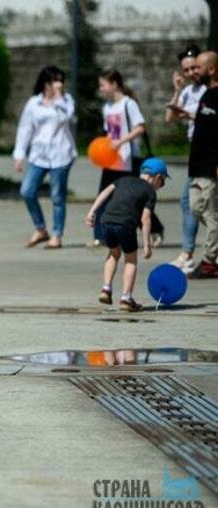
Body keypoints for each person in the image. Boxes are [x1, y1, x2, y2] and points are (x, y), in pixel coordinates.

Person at [85, 158, 169, 312]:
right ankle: (126, 298)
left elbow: (104, 193)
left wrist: (91, 213)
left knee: (113, 253)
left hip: (106, 221)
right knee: (130, 260)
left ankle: (106, 289)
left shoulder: (122, 180)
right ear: (157, 177)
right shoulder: (150, 192)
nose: (160, 186)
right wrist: (146, 245)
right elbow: (145, 218)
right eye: (162, 182)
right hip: (125, 224)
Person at [92, 68, 164, 248]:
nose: (101, 89)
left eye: (103, 85)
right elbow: (108, 133)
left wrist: (121, 141)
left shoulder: (128, 104)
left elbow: (140, 128)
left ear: (114, 84)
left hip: (129, 159)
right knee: (104, 194)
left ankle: (155, 229)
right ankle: (100, 236)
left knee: (134, 197)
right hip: (111, 160)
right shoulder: (107, 107)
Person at [13, 66, 76, 249]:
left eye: (61, 81)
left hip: (61, 154)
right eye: (55, 81)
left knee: (57, 196)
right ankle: (41, 229)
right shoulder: (34, 103)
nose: (59, 84)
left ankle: (56, 235)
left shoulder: (66, 100)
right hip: (38, 155)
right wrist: (19, 154)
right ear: (45, 82)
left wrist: (58, 97)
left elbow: (67, 117)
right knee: (27, 191)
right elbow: (25, 129)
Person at [166, 44, 205, 273]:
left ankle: (188, 253)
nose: (191, 73)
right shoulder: (189, 91)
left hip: (209, 150)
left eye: (194, 68)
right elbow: (169, 117)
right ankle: (188, 253)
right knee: (190, 202)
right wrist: (177, 91)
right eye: (186, 70)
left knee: (191, 201)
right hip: (196, 149)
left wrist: (189, 115)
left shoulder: (210, 89)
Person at [187, 51, 218, 279]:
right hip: (198, 166)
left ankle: (209, 261)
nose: (194, 71)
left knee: (210, 214)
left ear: (212, 69)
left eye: (198, 67)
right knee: (197, 208)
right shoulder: (207, 94)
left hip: (210, 166)